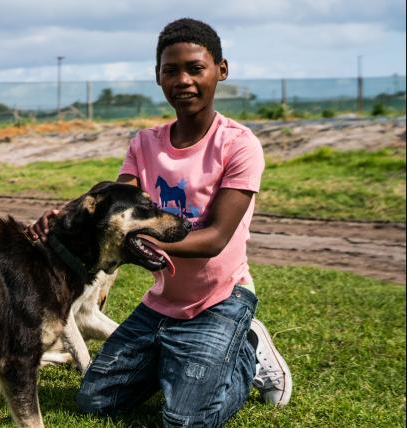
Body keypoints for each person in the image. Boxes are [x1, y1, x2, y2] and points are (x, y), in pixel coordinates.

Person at [27, 18, 291, 426]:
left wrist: (133, 239)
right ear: (158, 76)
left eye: (195, 68)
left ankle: (247, 353)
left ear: (221, 70)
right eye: (171, 70)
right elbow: (115, 207)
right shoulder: (145, 143)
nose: (182, 80)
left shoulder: (239, 145)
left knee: (185, 420)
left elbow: (215, 238)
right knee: (95, 401)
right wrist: (62, 220)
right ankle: (176, 361)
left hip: (219, 300)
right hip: (161, 304)